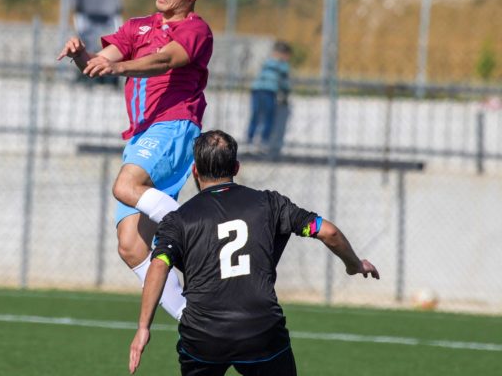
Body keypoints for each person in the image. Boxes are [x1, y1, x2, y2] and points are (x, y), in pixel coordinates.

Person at [129, 130, 380, 376]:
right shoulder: (270, 204)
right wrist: (354, 264)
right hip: (261, 333)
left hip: (204, 339)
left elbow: (159, 265)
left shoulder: (178, 219)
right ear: (236, 168)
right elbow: (328, 232)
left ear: (195, 170)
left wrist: (143, 327)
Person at [57, 0, 214, 321]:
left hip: (174, 126)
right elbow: (100, 63)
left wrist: (118, 67)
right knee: (130, 246)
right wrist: (81, 55)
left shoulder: (196, 30)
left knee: (125, 186)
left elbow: (164, 60)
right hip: (142, 136)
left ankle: (204, 235)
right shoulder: (137, 27)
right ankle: (196, 321)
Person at [246, 41, 292, 153]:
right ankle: (259, 141)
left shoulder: (269, 63)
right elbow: (284, 83)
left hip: (260, 91)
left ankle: (254, 141)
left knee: (259, 116)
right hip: (266, 91)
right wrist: (285, 94)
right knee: (265, 116)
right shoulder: (281, 65)